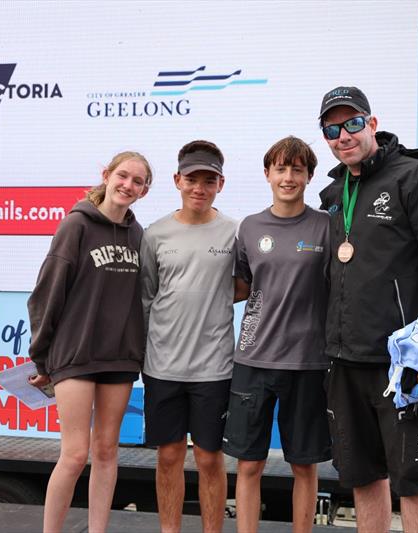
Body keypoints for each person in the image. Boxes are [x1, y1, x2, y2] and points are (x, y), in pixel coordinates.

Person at [317, 86, 418, 533]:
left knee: (417, 481)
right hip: (345, 358)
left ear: (373, 123)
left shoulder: (416, 177)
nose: (343, 135)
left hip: (406, 364)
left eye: (352, 123)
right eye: (332, 128)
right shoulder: (334, 191)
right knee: (363, 477)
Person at [27, 151, 152, 533]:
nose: (128, 185)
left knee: (106, 451)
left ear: (145, 191)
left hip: (119, 357)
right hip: (76, 355)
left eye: (138, 181)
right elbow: (47, 292)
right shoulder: (76, 225)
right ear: (106, 175)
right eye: (123, 176)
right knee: (75, 454)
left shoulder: (138, 235)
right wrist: (41, 357)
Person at [223, 136, 331, 533]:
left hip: (309, 363)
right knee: (249, 464)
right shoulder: (250, 227)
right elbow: (241, 287)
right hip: (253, 360)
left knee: (304, 464)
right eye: (281, 169)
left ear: (309, 176)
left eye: (297, 170)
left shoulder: (327, 226)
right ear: (268, 174)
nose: (288, 177)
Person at [140, 140, 237, 532]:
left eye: (208, 180)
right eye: (192, 179)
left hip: (214, 367)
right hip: (163, 365)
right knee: (169, 455)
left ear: (221, 183)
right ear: (177, 180)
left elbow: (244, 286)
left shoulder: (234, 232)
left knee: (211, 459)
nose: (199, 187)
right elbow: (148, 297)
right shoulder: (155, 234)